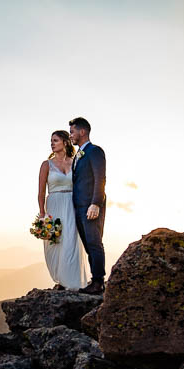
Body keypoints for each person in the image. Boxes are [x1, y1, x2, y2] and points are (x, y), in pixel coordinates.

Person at [37, 130, 90, 291]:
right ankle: (61, 278)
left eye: (55, 140)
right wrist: (42, 214)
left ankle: (71, 282)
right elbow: (40, 192)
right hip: (54, 204)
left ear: (65, 142)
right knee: (55, 243)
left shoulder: (75, 162)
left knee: (71, 241)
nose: (52, 143)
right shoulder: (46, 164)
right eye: (51, 141)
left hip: (72, 204)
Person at [68, 117, 106, 294]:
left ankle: (98, 282)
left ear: (82, 132)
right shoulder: (78, 155)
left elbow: (100, 178)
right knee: (87, 243)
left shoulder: (94, 151)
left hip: (90, 206)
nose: (71, 136)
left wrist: (96, 203)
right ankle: (94, 280)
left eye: (72, 132)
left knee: (94, 242)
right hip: (79, 206)